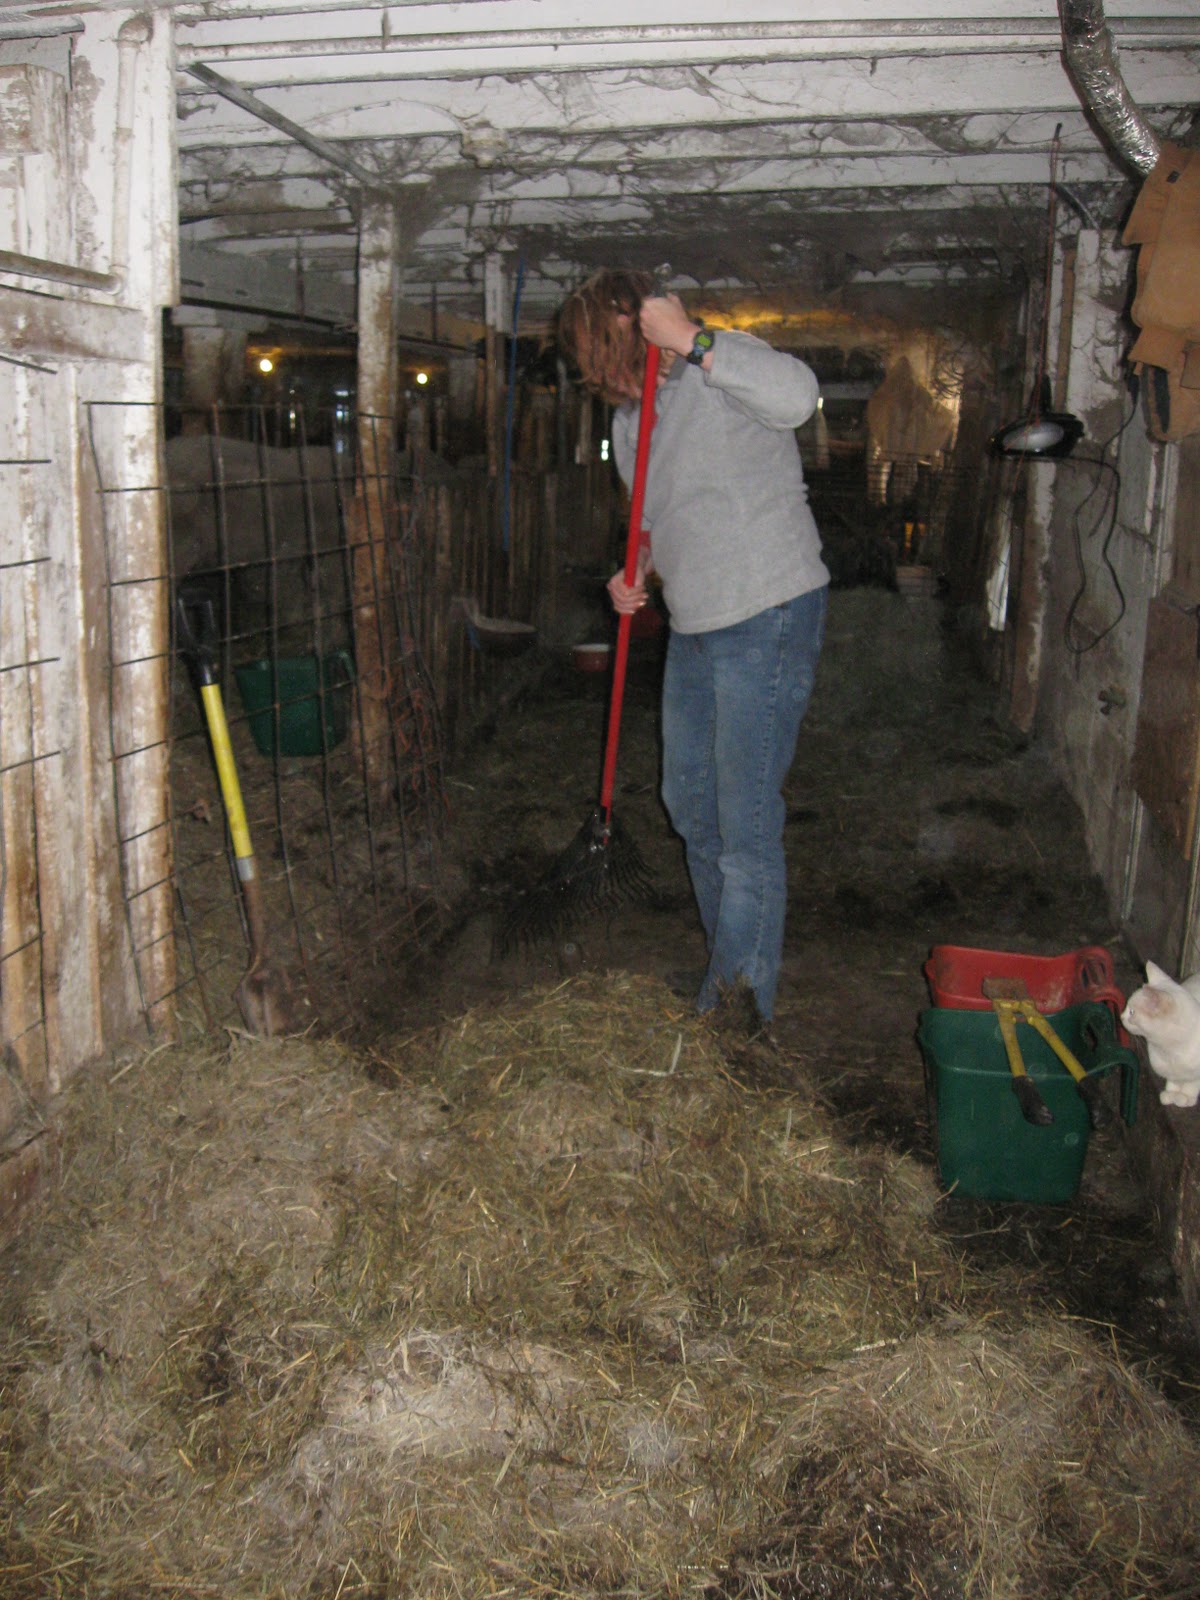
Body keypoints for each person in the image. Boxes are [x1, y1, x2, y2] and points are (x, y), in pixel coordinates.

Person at [557, 269, 830, 1024]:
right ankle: (730, 964)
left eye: (602, 347)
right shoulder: (629, 421)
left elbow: (797, 397)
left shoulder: (723, 363)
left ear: (639, 323)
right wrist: (632, 569)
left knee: (744, 826)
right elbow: (651, 517)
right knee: (691, 806)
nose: (599, 371)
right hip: (697, 623)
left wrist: (694, 340)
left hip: (768, 607)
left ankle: (740, 1011)